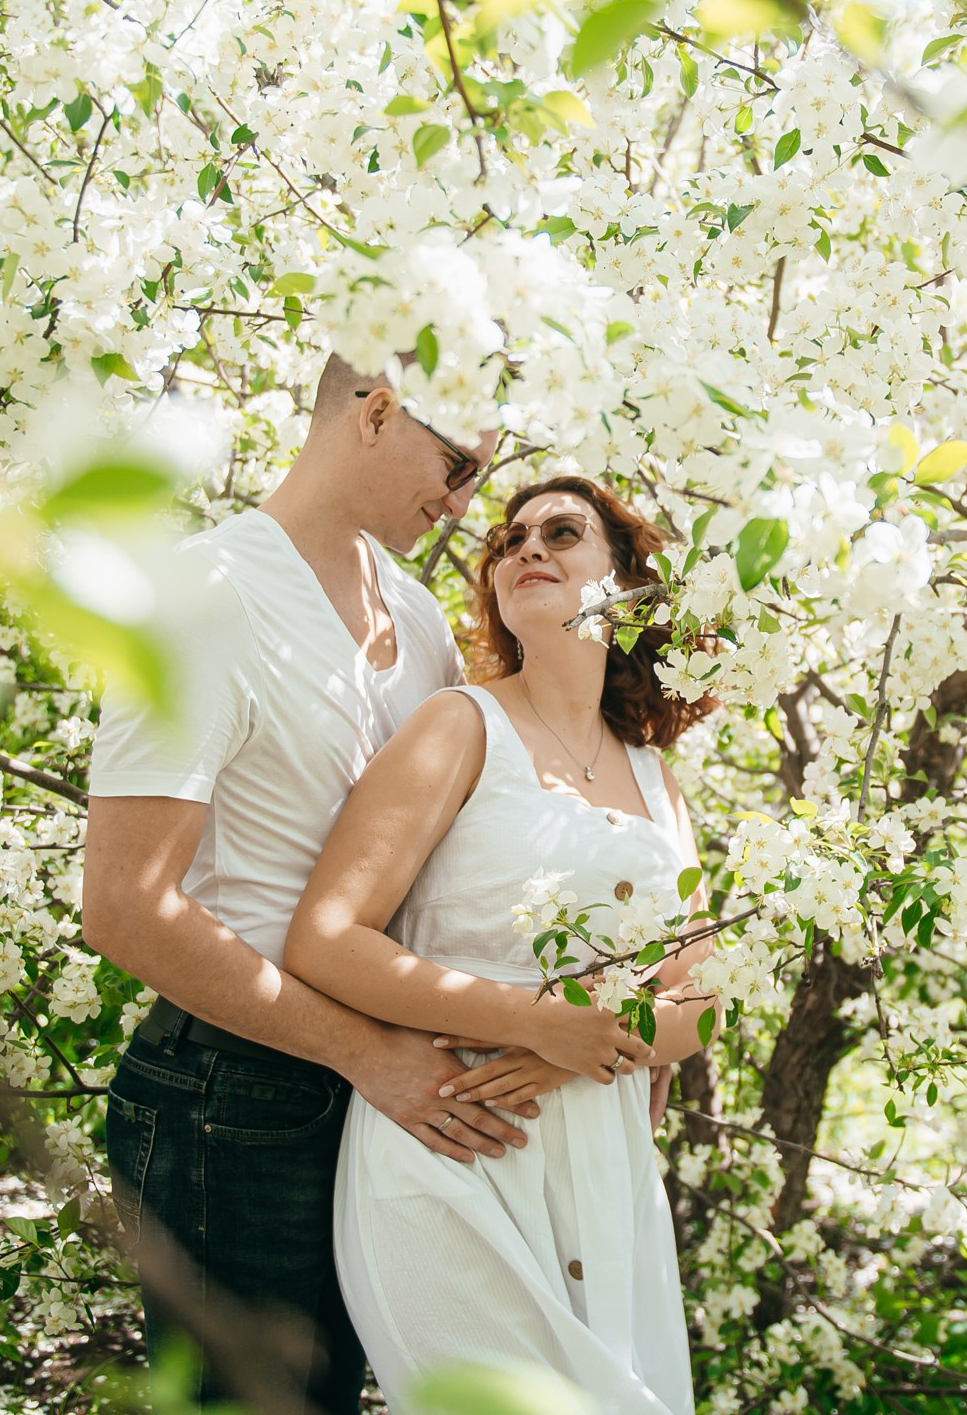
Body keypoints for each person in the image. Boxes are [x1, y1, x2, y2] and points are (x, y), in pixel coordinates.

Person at [82, 355, 533, 1408]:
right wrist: (367, 1054)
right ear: (376, 415)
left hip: (378, 1094)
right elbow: (124, 907)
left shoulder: (417, 618)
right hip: (232, 1096)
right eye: (458, 466)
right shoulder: (205, 598)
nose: (463, 503)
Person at [281, 476, 720, 1415]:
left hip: (603, 1156)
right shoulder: (459, 724)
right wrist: (532, 1022)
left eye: (562, 533)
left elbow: (704, 996)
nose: (527, 550)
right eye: (509, 540)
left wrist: (577, 1052)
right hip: (452, 1144)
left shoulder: (657, 779)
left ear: (626, 582)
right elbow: (325, 940)